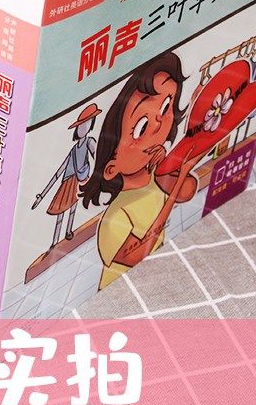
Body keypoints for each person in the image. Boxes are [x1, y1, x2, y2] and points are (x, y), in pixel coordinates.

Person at [79, 51, 203, 290]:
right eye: (141, 127)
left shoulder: (154, 177)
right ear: (111, 168)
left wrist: (177, 160)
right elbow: (138, 254)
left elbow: (189, 190)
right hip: (117, 295)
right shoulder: (116, 216)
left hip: (155, 279)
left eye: (166, 107)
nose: (159, 123)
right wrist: (176, 181)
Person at [32, 103, 101, 247]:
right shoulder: (74, 149)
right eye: (80, 125)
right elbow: (59, 172)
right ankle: (55, 242)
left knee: (73, 208)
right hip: (68, 181)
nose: (83, 128)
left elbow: (98, 156)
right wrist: (42, 195)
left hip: (80, 179)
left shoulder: (90, 142)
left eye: (87, 124)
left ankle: (68, 231)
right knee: (61, 211)